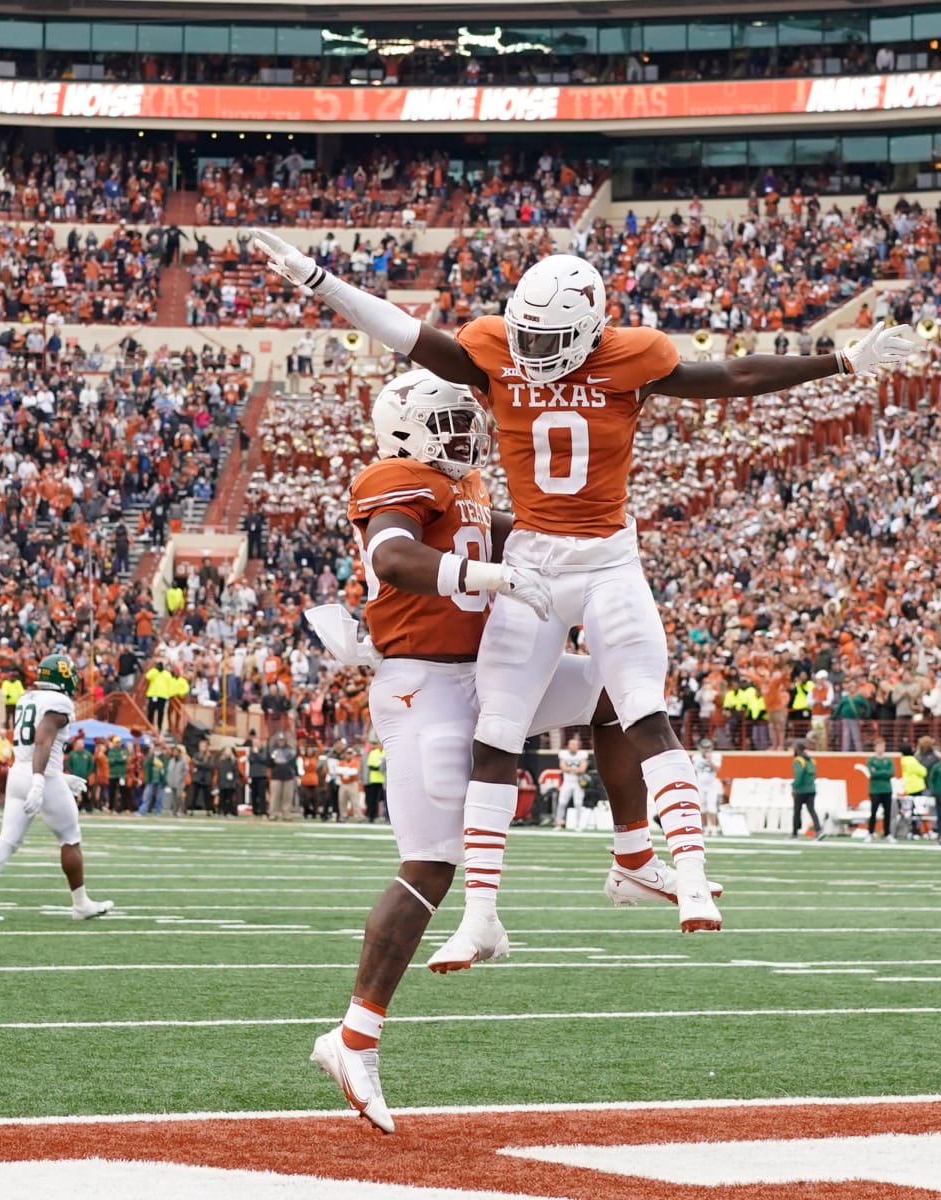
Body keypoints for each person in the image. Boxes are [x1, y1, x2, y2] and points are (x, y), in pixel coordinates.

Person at [251, 230, 912, 959]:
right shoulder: (493, 354)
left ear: (592, 329)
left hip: (602, 560)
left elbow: (730, 376)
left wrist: (840, 360)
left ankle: (676, 868)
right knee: (497, 731)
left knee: (636, 703)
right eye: (527, 335)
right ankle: (484, 914)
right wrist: (320, 281)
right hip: (533, 558)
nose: (533, 352)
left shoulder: (632, 356)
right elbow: (407, 334)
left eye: (552, 338)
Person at [305, 370, 722, 1133]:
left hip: (485, 676)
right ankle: (354, 1036)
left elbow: (518, 532)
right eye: (449, 421)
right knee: (429, 866)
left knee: (611, 692)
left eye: (467, 420)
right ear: (405, 426)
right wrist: (485, 572)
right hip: (423, 687)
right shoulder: (392, 476)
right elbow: (396, 558)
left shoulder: (457, 483)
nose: (465, 434)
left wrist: (588, 546)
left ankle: (632, 860)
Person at [0, 654, 114, 921]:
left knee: (7, 839)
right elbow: (42, 741)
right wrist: (41, 779)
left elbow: (33, 746)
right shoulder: (59, 702)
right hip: (39, 775)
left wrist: (58, 776)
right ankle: (81, 905)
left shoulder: (26, 698)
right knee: (70, 837)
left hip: (19, 773)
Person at [864, 737, 896, 842]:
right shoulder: (871, 760)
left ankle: (887, 833)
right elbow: (873, 774)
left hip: (887, 789)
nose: (881, 748)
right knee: (873, 812)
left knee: (887, 813)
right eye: (879, 746)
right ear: (875, 748)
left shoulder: (888, 760)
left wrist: (880, 772)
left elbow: (891, 773)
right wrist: (883, 772)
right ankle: (870, 832)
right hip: (875, 790)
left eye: (883, 746)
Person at [791, 739, 824, 838]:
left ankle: (795, 833)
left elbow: (798, 776)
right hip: (811, 789)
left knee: (797, 811)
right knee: (812, 810)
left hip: (801, 790)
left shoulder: (798, 761)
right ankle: (818, 829)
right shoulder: (811, 761)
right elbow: (814, 775)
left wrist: (794, 787)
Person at [554, 735, 589, 829]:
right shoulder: (563, 754)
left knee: (578, 803)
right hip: (567, 782)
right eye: (571, 744)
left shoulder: (582, 754)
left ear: (578, 746)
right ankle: (559, 823)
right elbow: (562, 767)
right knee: (561, 802)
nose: (573, 746)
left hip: (578, 784)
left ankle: (578, 825)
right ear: (568, 746)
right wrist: (574, 769)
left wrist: (569, 769)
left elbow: (582, 769)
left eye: (575, 744)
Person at [692, 738, 722, 836]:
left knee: (711, 806)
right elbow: (694, 772)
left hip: (712, 785)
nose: (706, 750)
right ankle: (704, 828)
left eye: (708, 747)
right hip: (700, 785)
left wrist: (709, 760)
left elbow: (717, 769)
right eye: (704, 748)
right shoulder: (696, 757)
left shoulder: (716, 756)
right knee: (702, 807)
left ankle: (713, 828)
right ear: (700, 748)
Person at [899, 743, 928, 839]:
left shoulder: (903, 760)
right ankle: (916, 830)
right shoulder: (912, 760)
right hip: (917, 787)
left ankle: (912, 830)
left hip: (909, 786)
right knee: (917, 811)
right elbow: (923, 771)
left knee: (911, 810)